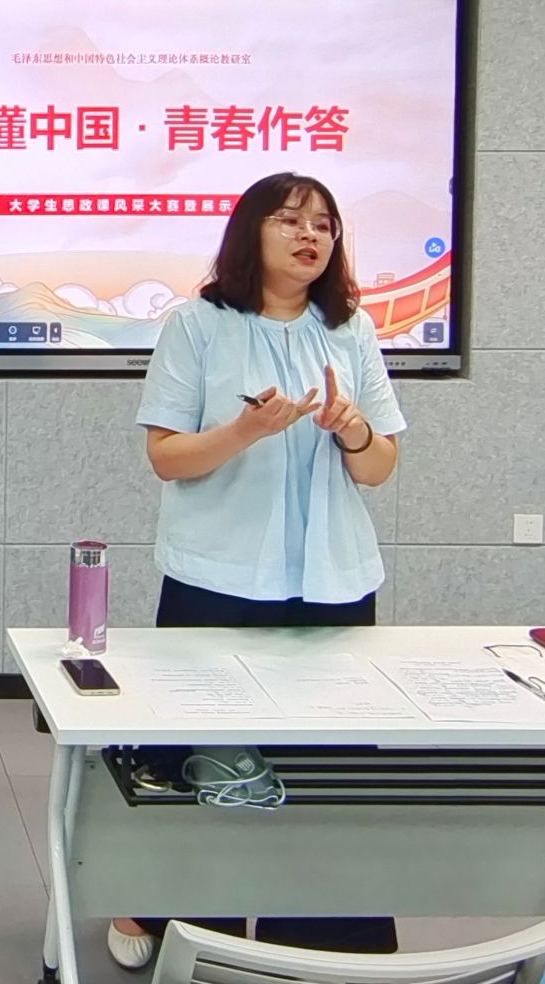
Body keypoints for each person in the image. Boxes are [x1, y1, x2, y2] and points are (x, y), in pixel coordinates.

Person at [107, 172, 405, 970]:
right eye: (291, 220)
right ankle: (175, 916)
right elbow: (167, 457)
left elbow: (380, 468)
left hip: (333, 582)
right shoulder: (198, 325)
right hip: (218, 579)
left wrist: (352, 430)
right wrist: (245, 430)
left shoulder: (351, 330)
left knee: (331, 767)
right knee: (203, 756)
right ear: (251, 233)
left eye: (325, 225)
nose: (311, 236)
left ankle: (320, 940)